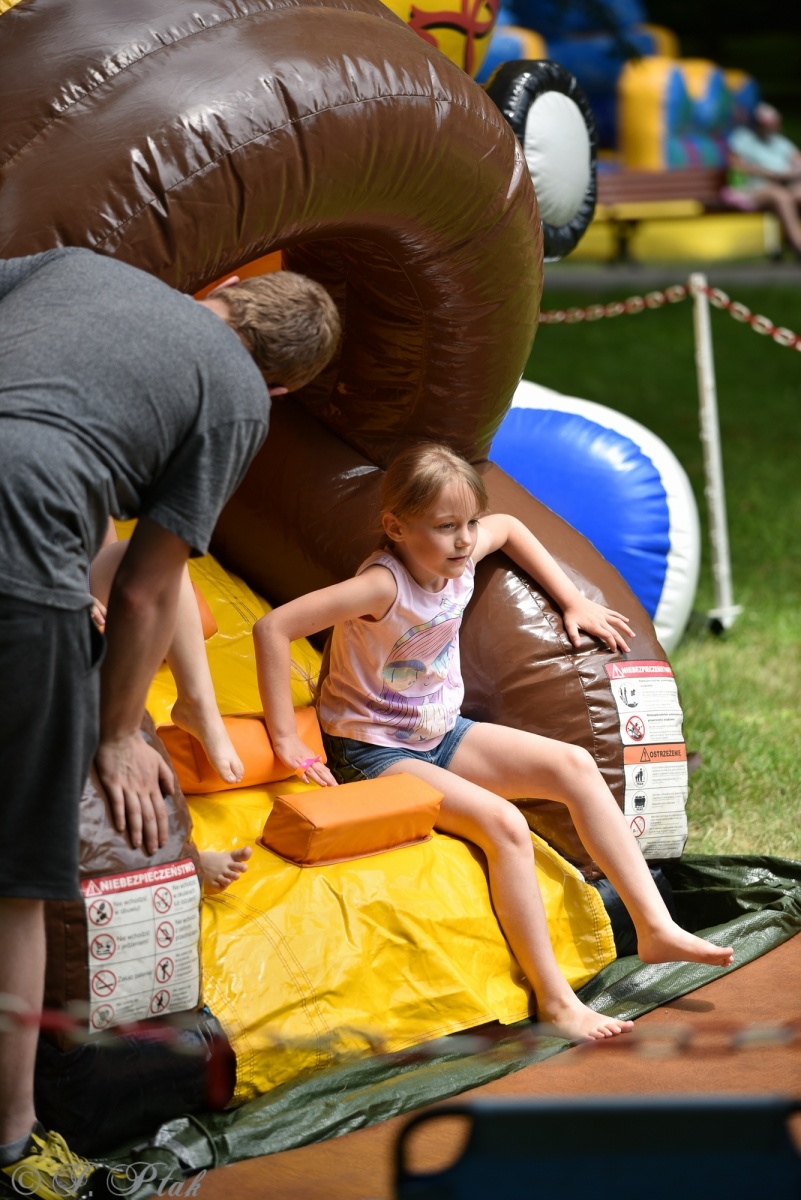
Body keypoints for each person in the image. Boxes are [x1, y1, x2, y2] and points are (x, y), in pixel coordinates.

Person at [0, 246, 340, 1200]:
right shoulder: (236, 395)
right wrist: (114, 735)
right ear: (281, 385)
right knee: (18, 887)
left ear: (221, 292)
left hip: (41, 526)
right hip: (21, 547)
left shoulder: (77, 268)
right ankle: (14, 1146)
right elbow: (152, 590)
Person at [253, 442, 734, 1046]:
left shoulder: (462, 552)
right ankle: (555, 1001)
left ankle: (654, 926)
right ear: (396, 527)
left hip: (440, 731)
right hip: (374, 751)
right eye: (445, 527)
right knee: (504, 824)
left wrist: (573, 600)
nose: (464, 540)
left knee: (574, 764)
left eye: (468, 523)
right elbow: (273, 627)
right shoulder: (382, 586)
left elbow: (508, 527)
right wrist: (285, 739)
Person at [90, 525, 252, 892]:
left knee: (159, 551)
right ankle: (179, 857)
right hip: (30, 600)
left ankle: (197, 701)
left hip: (76, 586)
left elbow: (105, 542)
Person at [724, 102, 801, 259]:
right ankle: (797, 245)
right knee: (781, 197)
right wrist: (767, 174)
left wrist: (791, 173)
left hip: (785, 184)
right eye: (765, 124)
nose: (769, 127)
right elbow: (735, 166)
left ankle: (788, 241)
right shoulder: (742, 139)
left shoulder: (780, 142)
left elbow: (797, 160)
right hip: (754, 187)